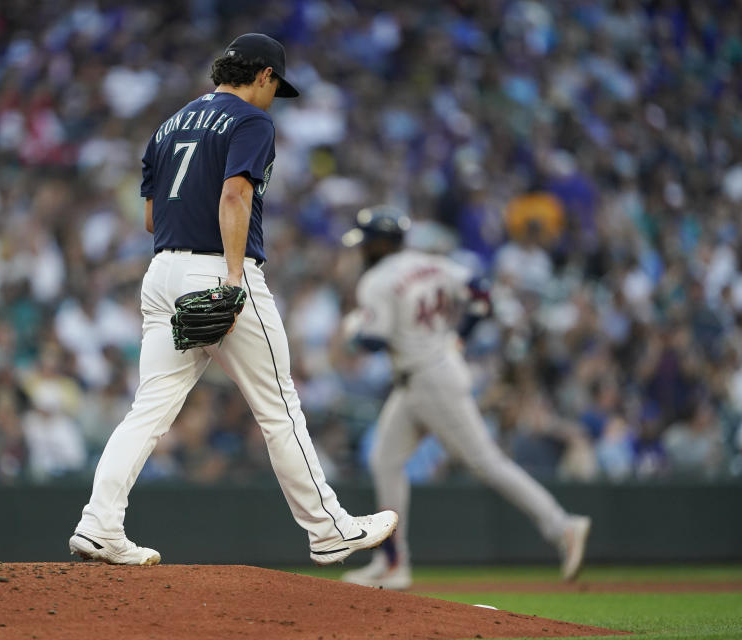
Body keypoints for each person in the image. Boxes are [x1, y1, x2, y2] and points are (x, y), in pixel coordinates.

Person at [68, 34, 397, 566]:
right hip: (217, 267)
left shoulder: (168, 124)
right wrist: (233, 277)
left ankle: (98, 524)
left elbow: (152, 217)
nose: (274, 99)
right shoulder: (251, 120)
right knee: (280, 407)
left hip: (162, 271)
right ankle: (329, 528)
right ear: (263, 74)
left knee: (147, 410)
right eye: (275, 87)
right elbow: (235, 193)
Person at [338, 205, 591, 589]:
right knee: (385, 461)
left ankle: (561, 526)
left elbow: (373, 341)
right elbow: (482, 296)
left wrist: (354, 331)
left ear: (380, 244)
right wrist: (461, 334)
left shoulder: (377, 281)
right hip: (427, 373)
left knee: (486, 462)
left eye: (367, 243)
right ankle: (393, 561)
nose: (363, 250)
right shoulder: (435, 264)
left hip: (429, 378)